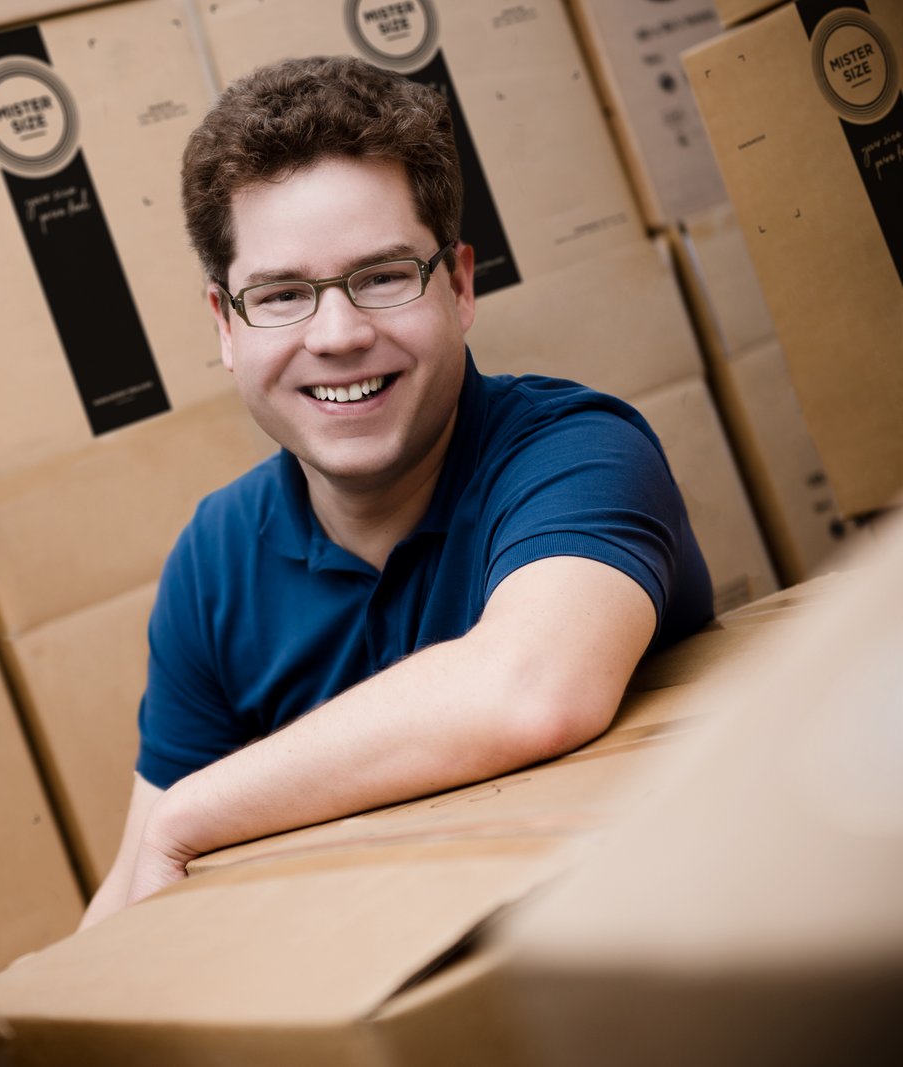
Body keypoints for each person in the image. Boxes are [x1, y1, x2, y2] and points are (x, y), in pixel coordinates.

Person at [81, 55, 713, 927]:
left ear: (458, 286)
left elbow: (532, 691)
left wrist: (187, 812)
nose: (337, 335)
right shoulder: (215, 556)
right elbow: (134, 889)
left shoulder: (575, 451)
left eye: (380, 277)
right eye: (280, 294)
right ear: (225, 326)